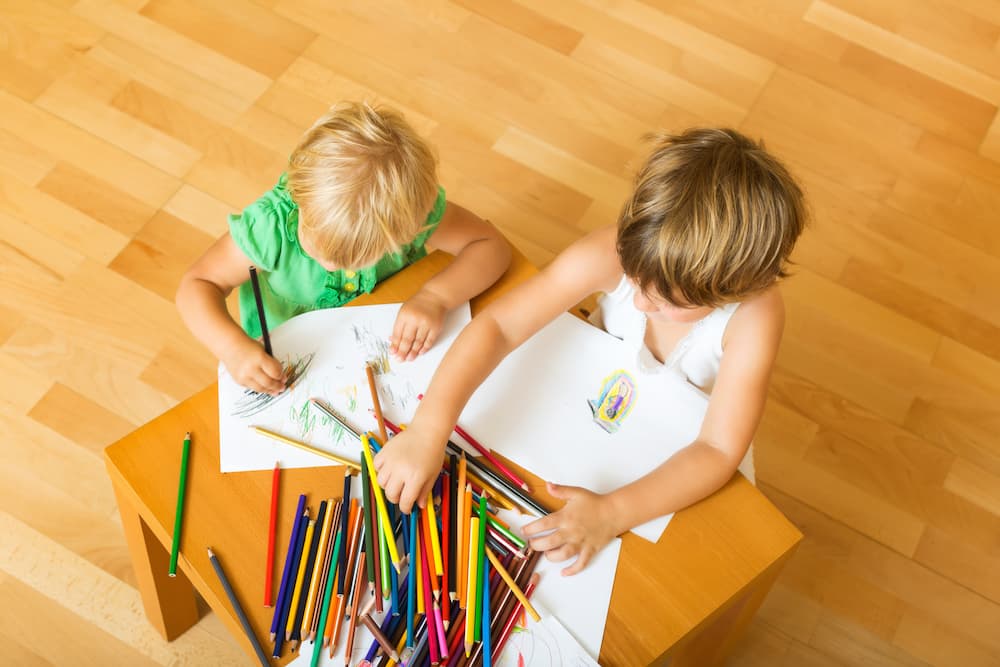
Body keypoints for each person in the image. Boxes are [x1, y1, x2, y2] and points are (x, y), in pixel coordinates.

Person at [373, 128, 807, 575]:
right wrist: (428, 428)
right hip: (581, 409)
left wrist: (612, 514)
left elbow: (717, 448)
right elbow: (499, 327)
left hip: (678, 456)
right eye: (636, 282)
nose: (638, 303)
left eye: (665, 303)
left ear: (734, 289)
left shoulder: (755, 317)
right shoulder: (611, 251)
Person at [177, 102, 511, 395]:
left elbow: (490, 246)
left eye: (358, 258)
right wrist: (232, 349)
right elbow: (197, 285)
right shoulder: (272, 225)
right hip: (277, 358)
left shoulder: (405, 215)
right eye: (323, 252)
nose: (335, 267)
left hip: (374, 353)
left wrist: (437, 297)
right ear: (300, 198)